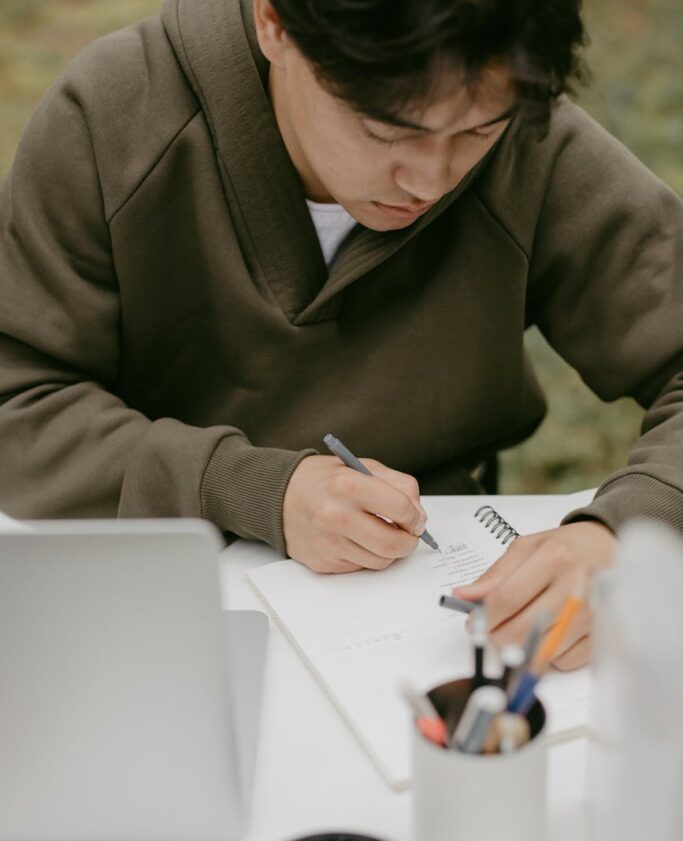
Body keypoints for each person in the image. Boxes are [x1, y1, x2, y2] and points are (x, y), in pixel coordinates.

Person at [0, 0, 681, 670]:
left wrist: (626, 531)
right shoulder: (117, 115)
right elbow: (19, 404)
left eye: (476, 133)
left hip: (429, 603)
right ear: (274, 23)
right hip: (150, 598)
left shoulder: (524, 123)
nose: (429, 180)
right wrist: (243, 486)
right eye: (385, 131)